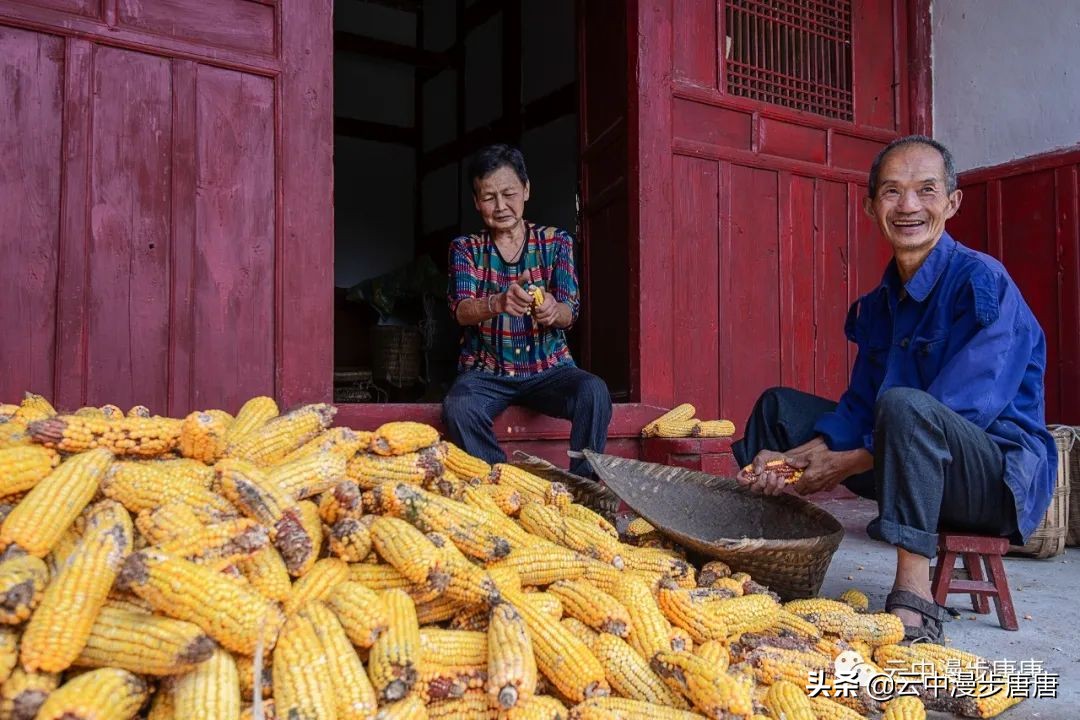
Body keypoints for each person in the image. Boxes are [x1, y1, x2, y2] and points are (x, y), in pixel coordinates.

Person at [733, 135, 1056, 642]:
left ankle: (913, 602)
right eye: (891, 192)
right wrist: (801, 456)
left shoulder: (982, 282)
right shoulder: (882, 302)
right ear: (870, 206)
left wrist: (844, 463)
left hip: (989, 480)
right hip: (905, 463)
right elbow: (859, 407)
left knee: (905, 407)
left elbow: (962, 412)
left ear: (952, 203)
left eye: (926, 190)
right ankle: (755, 562)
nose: (908, 206)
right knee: (779, 409)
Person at [442, 144, 612, 477]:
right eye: (489, 197)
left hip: (549, 369)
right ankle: (506, 485)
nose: (501, 206)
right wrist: (498, 303)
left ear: (526, 190)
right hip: (488, 372)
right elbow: (460, 310)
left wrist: (552, 310)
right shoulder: (465, 249)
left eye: (509, 193)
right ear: (477, 202)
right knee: (459, 406)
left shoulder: (556, 242)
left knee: (594, 392)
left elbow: (569, 311)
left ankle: (583, 488)